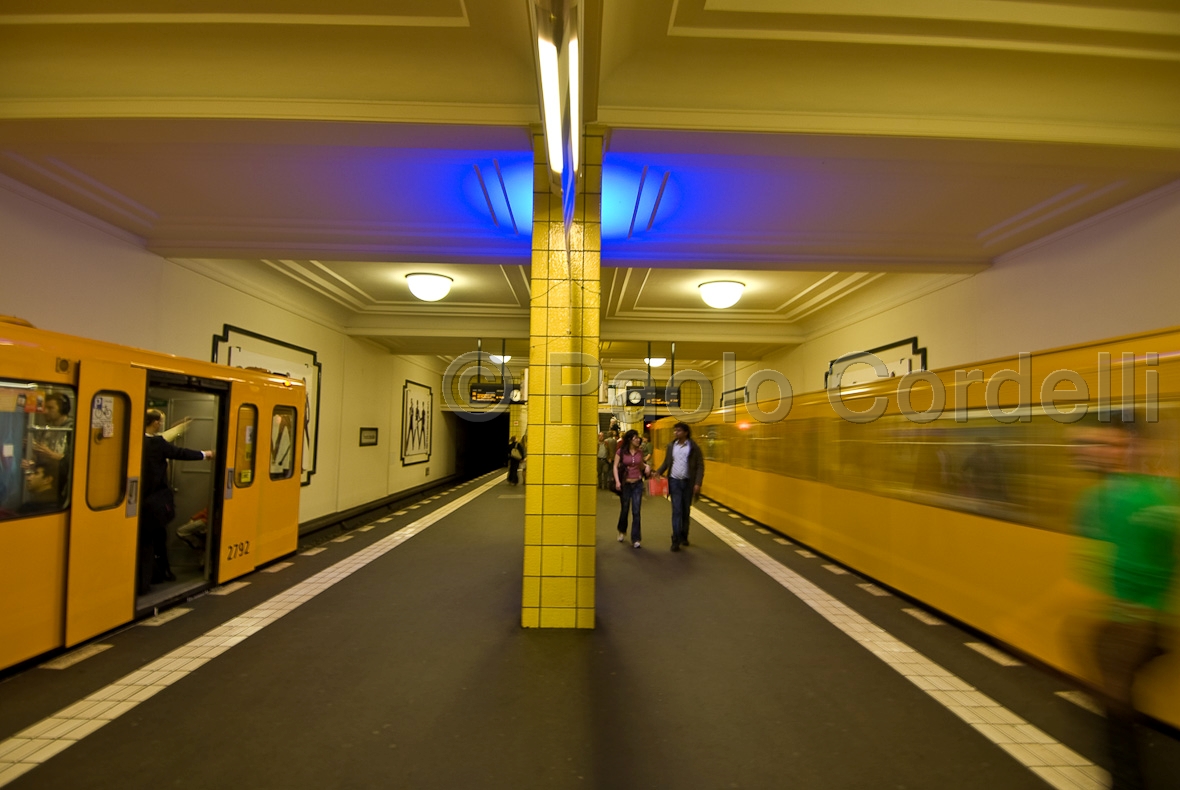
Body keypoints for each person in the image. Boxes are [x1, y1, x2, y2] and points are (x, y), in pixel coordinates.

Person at [1072, 421, 1178, 790]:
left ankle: (1126, 780)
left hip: (1126, 621)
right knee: (1115, 693)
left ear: (1131, 447)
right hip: (1149, 616)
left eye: (1101, 444)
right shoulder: (1165, 492)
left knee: (1115, 701)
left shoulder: (1107, 498)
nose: (1088, 450)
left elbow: (1090, 569)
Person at [140, 409, 214, 594]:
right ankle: (153, 578)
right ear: (156, 422)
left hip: (140, 504)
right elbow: (179, 452)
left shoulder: (138, 440)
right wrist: (206, 454)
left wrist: (181, 426)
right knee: (153, 542)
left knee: (145, 542)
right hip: (155, 505)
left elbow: (167, 437)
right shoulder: (156, 443)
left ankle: (150, 577)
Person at [655, 421, 705, 551]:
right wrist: (658, 472)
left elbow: (700, 465)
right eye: (675, 430)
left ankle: (684, 535)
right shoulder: (672, 446)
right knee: (676, 510)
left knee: (685, 510)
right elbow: (667, 462)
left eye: (678, 431)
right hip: (674, 482)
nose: (675, 433)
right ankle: (675, 539)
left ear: (685, 432)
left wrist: (698, 483)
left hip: (688, 483)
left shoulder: (693, 447)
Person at [613, 429, 650, 548]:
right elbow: (615, 467)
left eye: (638, 438)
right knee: (624, 509)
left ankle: (636, 538)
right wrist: (618, 482)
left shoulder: (640, 452)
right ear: (630, 439)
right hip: (625, 484)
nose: (638, 439)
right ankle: (621, 530)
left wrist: (647, 467)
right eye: (635, 438)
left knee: (636, 511)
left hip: (637, 484)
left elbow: (640, 465)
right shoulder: (621, 452)